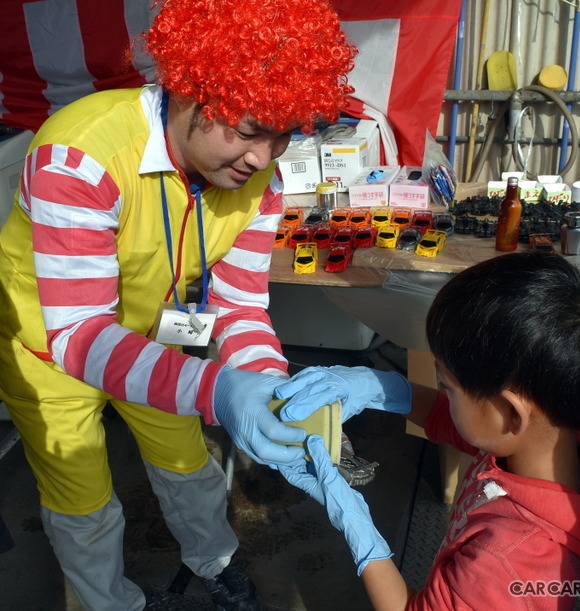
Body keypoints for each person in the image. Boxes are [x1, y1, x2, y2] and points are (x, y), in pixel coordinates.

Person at [0, 0, 356, 609]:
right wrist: (219, 390)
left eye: (282, 135)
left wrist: (273, 390)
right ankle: (112, 602)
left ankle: (214, 561)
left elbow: (241, 305)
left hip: (158, 339)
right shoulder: (80, 156)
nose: (262, 159)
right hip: (50, 348)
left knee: (188, 464)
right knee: (81, 498)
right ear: (191, 89)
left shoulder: (257, 186)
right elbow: (82, 334)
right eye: (248, 130)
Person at [276, 251, 580, 610]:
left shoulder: (504, 565)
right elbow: (455, 422)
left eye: (447, 386)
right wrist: (377, 387)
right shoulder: (556, 442)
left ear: (510, 412)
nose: (442, 393)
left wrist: (362, 534)